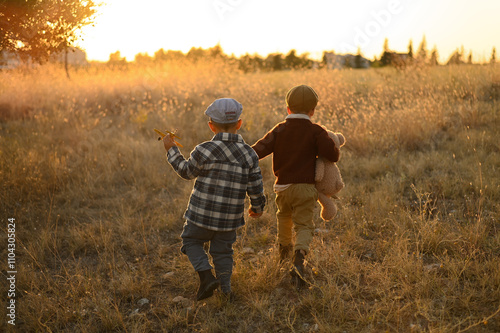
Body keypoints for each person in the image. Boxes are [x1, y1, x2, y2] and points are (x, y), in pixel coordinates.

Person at [163, 98, 266, 300]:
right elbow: (255, 184)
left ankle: (206, 276)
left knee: (190, 241)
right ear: (239, 123)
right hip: (229, 220)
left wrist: (171, 150)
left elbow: (186, 172)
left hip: (200, 216)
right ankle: (226, 291)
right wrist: (258, 206)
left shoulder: (203, 150)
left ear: (211, 126)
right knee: (223, 252)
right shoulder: (249, 154)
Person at [251, 85, 339, 288]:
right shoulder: (316, 131)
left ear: (288, 109)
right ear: (313, 111)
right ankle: (299, 258)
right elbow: (332, 155)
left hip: (282, 187)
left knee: (283, 216)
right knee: (304, 225)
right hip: (306, 188)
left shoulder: (279, 129)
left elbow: (258, 150)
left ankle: (284, 249)